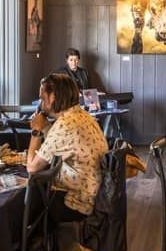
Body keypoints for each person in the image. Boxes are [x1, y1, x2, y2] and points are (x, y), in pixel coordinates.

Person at [27, 73, 109, 221]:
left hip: (76, 202)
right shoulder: (82, 115)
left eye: (42, 98)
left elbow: (32, 168)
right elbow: (58, 146)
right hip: (95, 194)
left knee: (23, 203)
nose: (41, 103)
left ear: (53, 98)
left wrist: (36, 131)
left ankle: (32, 242)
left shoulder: (65, 124)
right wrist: (45, 127)